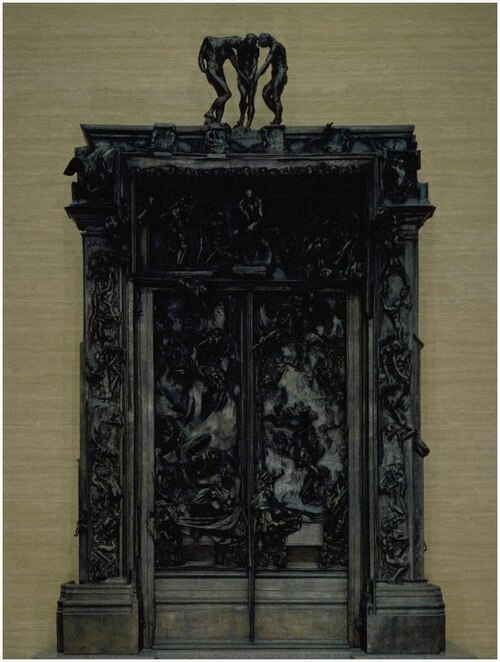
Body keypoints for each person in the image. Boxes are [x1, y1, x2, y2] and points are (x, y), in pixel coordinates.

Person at [198, 35, 246, 124]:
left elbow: (237, 67)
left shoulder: (229, 51)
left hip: (220, 73)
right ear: (232, 39)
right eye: (236, 43)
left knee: (222, 96)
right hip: (212, 71)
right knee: (227, 94)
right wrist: (202, 65)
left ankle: (217, 122)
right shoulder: (210, 40)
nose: (235, 46)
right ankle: (210, 111)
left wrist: (244, 77)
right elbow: (201, 55)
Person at [256, 33, 288, 125]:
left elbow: (266, 64)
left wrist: (256, 76)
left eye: (261, 42)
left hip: (280, 75)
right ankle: (278, 116)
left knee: (275, 97)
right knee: (265, 94)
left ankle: (277, 119)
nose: (261, 45)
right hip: (276, 76)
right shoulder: (275, 46)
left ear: (266, 40)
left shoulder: (276, 46)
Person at [234, 33, 259, 128]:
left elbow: (255, 63)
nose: (255, 44)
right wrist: (243, 77)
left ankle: (248, 123)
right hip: (242, 76)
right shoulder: (240, 48)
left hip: (251, 77)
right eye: (253, 42)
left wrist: (252, 75)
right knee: (243, 96)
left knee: (251, 100)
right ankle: (242, 117)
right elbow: (237, 65)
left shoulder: (255, 49)